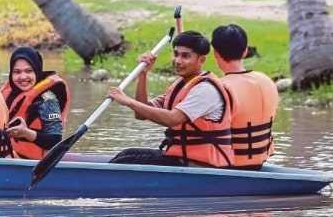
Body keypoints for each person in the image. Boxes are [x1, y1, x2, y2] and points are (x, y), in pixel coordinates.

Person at [106, 30, 234, 167]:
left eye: (185, 56)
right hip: (180, 158)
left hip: (200, 165)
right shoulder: (180, 86)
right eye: (175, 54)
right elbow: (141, 114)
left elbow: (172, 119)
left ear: (201, 60)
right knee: (127, 154)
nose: (177, 61)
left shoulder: (205, 90)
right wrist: (142, 75)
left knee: (127, 161)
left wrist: (128, 101)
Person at [211, 24, 279, 169]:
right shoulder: (267, 81)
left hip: (229, 164)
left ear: (215, 53)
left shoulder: (220, 88)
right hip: (259, 161)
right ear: (245, 52)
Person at [0, 46, 70, 160]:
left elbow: (55, 141)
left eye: (29, 71)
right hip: (7, 157)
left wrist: (26, 133)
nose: (23, 77)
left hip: (34, 165)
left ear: (37, 71)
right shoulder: (8, 92)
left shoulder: (48, 99)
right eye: (17, 72)